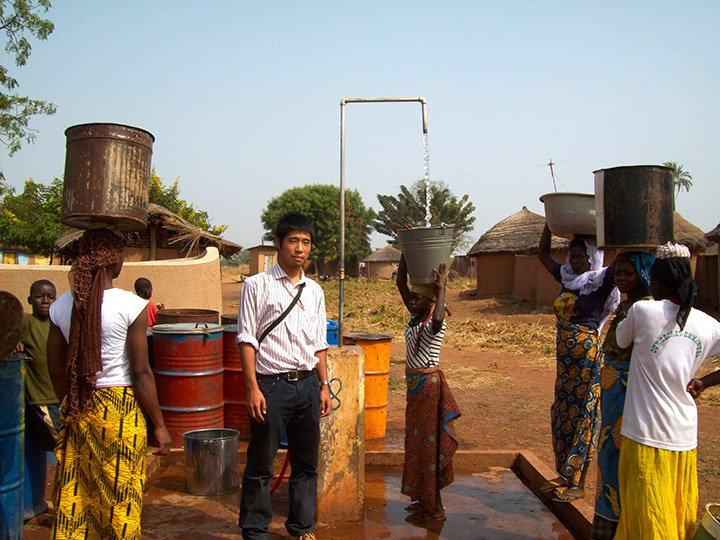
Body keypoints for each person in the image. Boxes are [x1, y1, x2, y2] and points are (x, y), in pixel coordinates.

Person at [47, 228, 171, 540]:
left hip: (78, 408)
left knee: (78, 496)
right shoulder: (131, 305)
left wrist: (72, 399)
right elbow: (141, 373)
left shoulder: (61, 306)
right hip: (120, 412)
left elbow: (56, 368)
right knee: (120, 497)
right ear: (115, 261)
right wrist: (159, 424)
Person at [613, 243, 720, 540]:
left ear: (655, 283)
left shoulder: (643, 311)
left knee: (645, 517)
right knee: (673, 512)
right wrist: (703, 382)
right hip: (684, 436)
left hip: (645, 434)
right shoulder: (709, 325)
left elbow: (621, 342)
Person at [236, 213, 331, 540]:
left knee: (306, 464)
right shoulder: (256, 285)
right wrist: (252, 388)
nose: (299, 248)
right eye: (293, 240)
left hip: (307, 386)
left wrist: (324, 386)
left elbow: (319, 343)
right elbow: (246, 338)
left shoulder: (315, 291)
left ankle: (303, 528)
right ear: (278, 243)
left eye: (305, 242)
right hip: (271, 387)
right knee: (261, 465)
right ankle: (256, 531)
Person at [537, 224, 620, 502]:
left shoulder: (600, 282)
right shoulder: (566, 278)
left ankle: (579, 483)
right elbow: (543, 254)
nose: (574, 261)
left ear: (592, 258)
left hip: (587, 361)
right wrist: (549, 226)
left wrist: (613, 228)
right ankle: (564, 471)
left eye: (580, 256)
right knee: (563, 412)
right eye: (572, 256)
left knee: (585, 416)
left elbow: (618, 260)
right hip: (565, 363)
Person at [590, 251, 654, 540]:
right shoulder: (627, 307)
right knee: (609, 456)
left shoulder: (645, 310)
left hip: (630, 392)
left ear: (644, 275)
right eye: (619, 273)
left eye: (628, 273)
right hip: (614, 391)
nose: (621, 278)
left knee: (618, 456)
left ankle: (618, 527)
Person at [396, 254, 460, 524]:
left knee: (429, 448)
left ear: (431, 302)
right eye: (411, 298)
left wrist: (443, 287)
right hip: (416, 389)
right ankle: (424, 500)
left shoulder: (435, 322)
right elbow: (400, 282)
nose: (412, 301)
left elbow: (435, 321)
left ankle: (436, 509)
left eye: (418, 298)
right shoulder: (414, 318)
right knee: (418, 446)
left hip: (429, 388)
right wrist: (406, 251)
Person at [14, 279, 61, 519]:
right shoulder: (27, 323)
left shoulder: (57, 324)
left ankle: (51, 503)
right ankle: (64, 506)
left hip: (59, 397)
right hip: (41, 399)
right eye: (39, 296)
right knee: (63, 450)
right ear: (30, 299)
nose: (45, 300)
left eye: (50, 296)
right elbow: (8, 336)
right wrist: (15, 344)